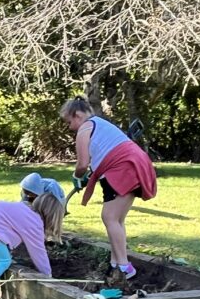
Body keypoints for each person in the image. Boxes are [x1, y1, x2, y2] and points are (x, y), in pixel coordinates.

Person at [60, 96, 157, 279]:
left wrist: (77, 177)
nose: (70, 127)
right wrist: (90, 173)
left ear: (78, 115)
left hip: (123, 168)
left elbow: (82, 164)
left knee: (109, 217)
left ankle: (125, 267)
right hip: (135, 163)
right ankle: (115, 263)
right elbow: (104, 152)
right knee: (117, 219)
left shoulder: (84, 129)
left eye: (69, 122)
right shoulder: (101, 124)